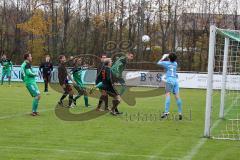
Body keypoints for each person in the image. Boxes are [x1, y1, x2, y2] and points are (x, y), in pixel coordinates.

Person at [157, 53, 183, 120]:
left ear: (169, 58)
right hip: (175, 81)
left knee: (168, 95)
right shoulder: (175, 64)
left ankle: (166, 112)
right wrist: (169, 56)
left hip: (169, 81)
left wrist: (163, 57)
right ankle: (180, 112)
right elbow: (172, 60)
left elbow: (158, 63)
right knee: (177, 97)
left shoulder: (166, 63)